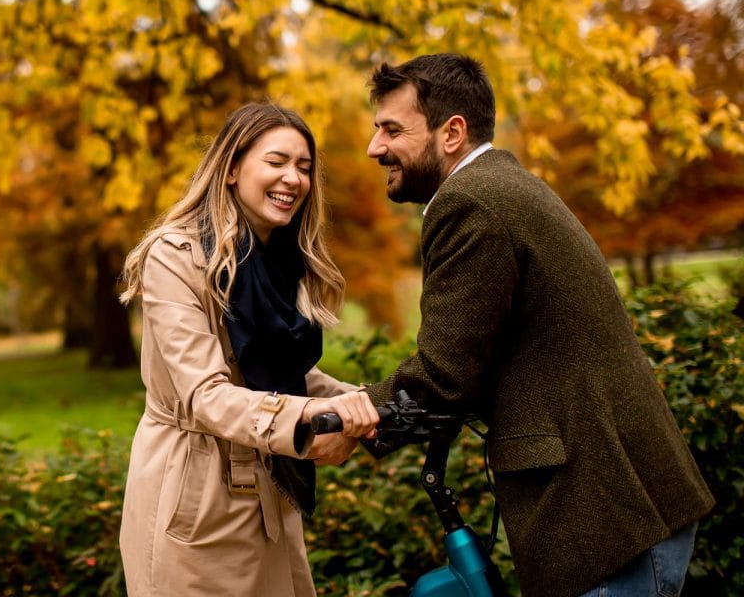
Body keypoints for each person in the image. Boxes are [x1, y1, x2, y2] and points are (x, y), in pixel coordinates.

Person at [360, 53, 713, 597]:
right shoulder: (503, 186)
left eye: (391, 129)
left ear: (451, 132)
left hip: (607, 518)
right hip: (626, 508)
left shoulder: (470, 202)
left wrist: (352, 419)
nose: (374, 147)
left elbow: (444, 377)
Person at [118, 103, 380, 596]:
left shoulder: (279, 259)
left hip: (267, 484)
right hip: (195, 491)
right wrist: (310, 416)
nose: (293, 179)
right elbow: (207, 394)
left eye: (304, 167)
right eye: (277, 161)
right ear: (233, 167)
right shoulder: (176, 257)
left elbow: (281, 374)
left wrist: (366, 404)